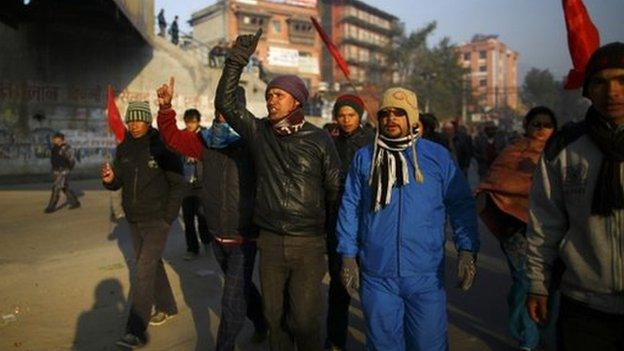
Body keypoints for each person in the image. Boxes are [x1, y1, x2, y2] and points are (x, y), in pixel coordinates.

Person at [214, 29, 342, 351]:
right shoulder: (259, 133)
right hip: (269, 241)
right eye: (269, 95)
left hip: (308, 244)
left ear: (296, 100)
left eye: (279, 95)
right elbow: (226, 103)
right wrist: (236, 61)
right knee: (273, 318)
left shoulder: (319, 140)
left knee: (304, 320)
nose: (271, 100)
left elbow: (334, 190)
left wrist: (336, 242)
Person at [337, 87, 479, 351]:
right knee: (382, 346)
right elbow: (350, 206)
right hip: (377, 273)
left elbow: (461, 204)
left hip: (425, 275)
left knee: (429, 345)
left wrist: (467, 249)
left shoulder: (436, 158)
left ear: (412, 118)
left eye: (399, 113)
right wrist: (347, 255)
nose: (391, 119)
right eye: (385, 114)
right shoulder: (365, 158)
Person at [526, 42, 624, 351]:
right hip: (583, 303)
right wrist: (538, 285)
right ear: (587, 90)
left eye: (622, 80)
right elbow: (545, 222)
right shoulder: (564, 148)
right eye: (600, 82)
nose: (612, 92)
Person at [157, 82, 268, 350]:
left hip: (244, 237)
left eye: (229, 110)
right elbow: (173, 138)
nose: (222, 116)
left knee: (230, 300)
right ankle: (262, 321)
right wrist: (165, 109)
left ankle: (224, 345)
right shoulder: (206, 141)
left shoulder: (254, 144)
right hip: (217, 232)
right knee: (241, 290)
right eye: (219, 110)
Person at [102, 101, 185, 349]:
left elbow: (179, 183)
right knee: (153, 264)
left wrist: (168, 217)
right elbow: (118, 183)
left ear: (148, 121)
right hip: (134, 219)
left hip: (157, 220)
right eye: (130, 121)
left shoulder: (163, 146)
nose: (134, 125)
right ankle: (168, 306)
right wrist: (110, 179)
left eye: (139, 120)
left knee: (144, 271)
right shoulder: (124, 147)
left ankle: (135, 330)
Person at [476, 106, 559, 351]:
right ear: (527, 126)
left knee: (548, 285)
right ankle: (527, 338)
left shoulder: (562, 153)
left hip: (551, 230)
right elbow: (493, 184)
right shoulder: (513, 151)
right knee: (525, 282)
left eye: (548, 124)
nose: (542, 128)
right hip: (515, 229)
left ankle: (538, 329)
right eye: (537, 123)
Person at [326, 94, 373, 351]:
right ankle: (335, 339)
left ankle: (378, 339)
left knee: (371, 287)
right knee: (339, 284)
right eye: (341, 115)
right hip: (337, 221)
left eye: (351, 115)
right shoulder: (330, 143)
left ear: (360, 116)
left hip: (366, 222)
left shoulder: (372, 143)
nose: (346, 120)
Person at [178, 108, 211, 260]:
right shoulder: (182, 136)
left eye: (193, 122)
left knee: (203, 216)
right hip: (186, 185)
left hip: (203, 183)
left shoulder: (206, 136)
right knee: (188, 219)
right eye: (188, 122)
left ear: (198, 122)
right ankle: (192, 249)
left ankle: (207, 241)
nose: (190, 125)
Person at [44, 132, 80, 213]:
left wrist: (67, 169)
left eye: (55, 138)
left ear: (60, 139)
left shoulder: (67, 148)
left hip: (63, 170)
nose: (53, 140)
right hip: (56, 170)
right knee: (64, 187)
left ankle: (51, 207)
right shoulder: (55, 147)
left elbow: (72, 160)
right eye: (53, 138)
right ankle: (75, 202)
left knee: (56, 187)